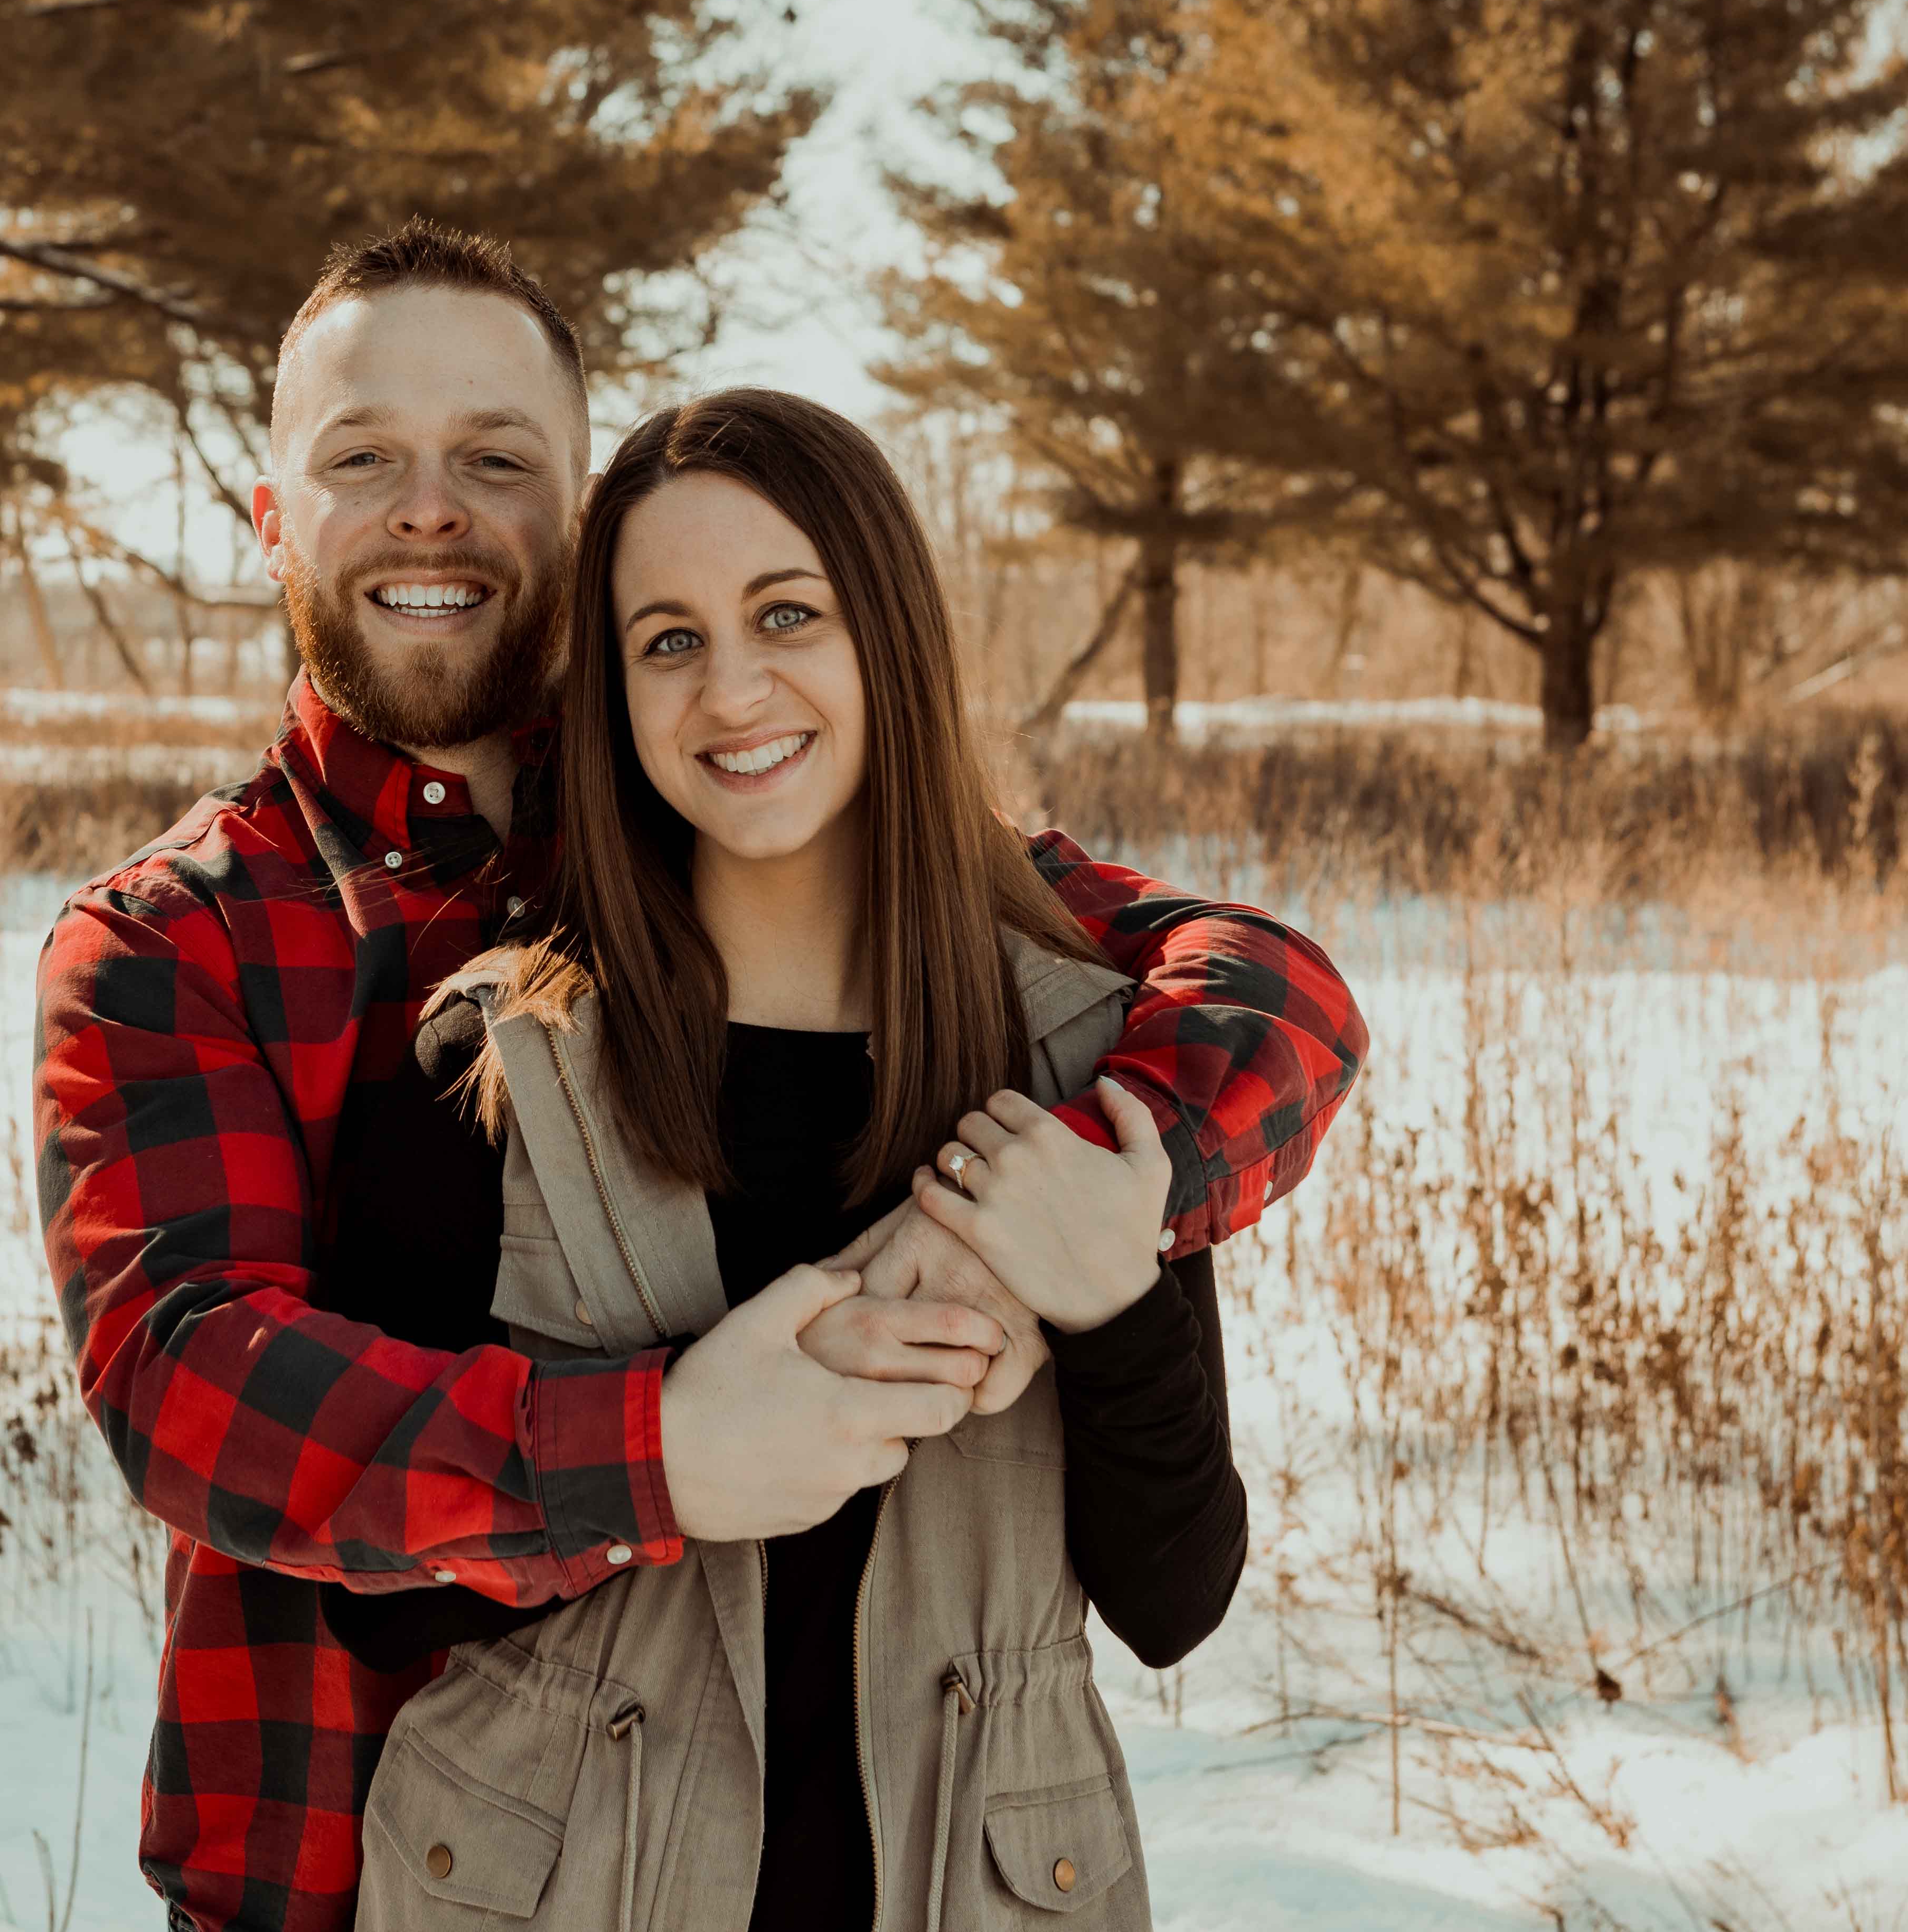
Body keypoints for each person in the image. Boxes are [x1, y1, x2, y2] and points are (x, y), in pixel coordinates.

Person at [34, 222, 1366, 1932]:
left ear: (573, 518)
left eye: (494, 459)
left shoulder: (764, 809)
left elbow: (1262, 985)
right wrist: (656, 1446)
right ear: (269, 513)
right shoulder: (189, 941)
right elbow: (187, 1384)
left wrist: (1102, 1198)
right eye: (362, 456)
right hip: (342, 1859)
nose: (429, 508)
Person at [331, 388, 1252, 1932]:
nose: (732, 690)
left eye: (786, 614)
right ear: (615, 696)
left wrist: (1117, 1304)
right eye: (669, 640)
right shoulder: (490, 1065)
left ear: (884, 635)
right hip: (548, 1886)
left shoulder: (1081, 1066)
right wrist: (664, 1450)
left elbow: (1173, 1601)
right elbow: (367, 1590)